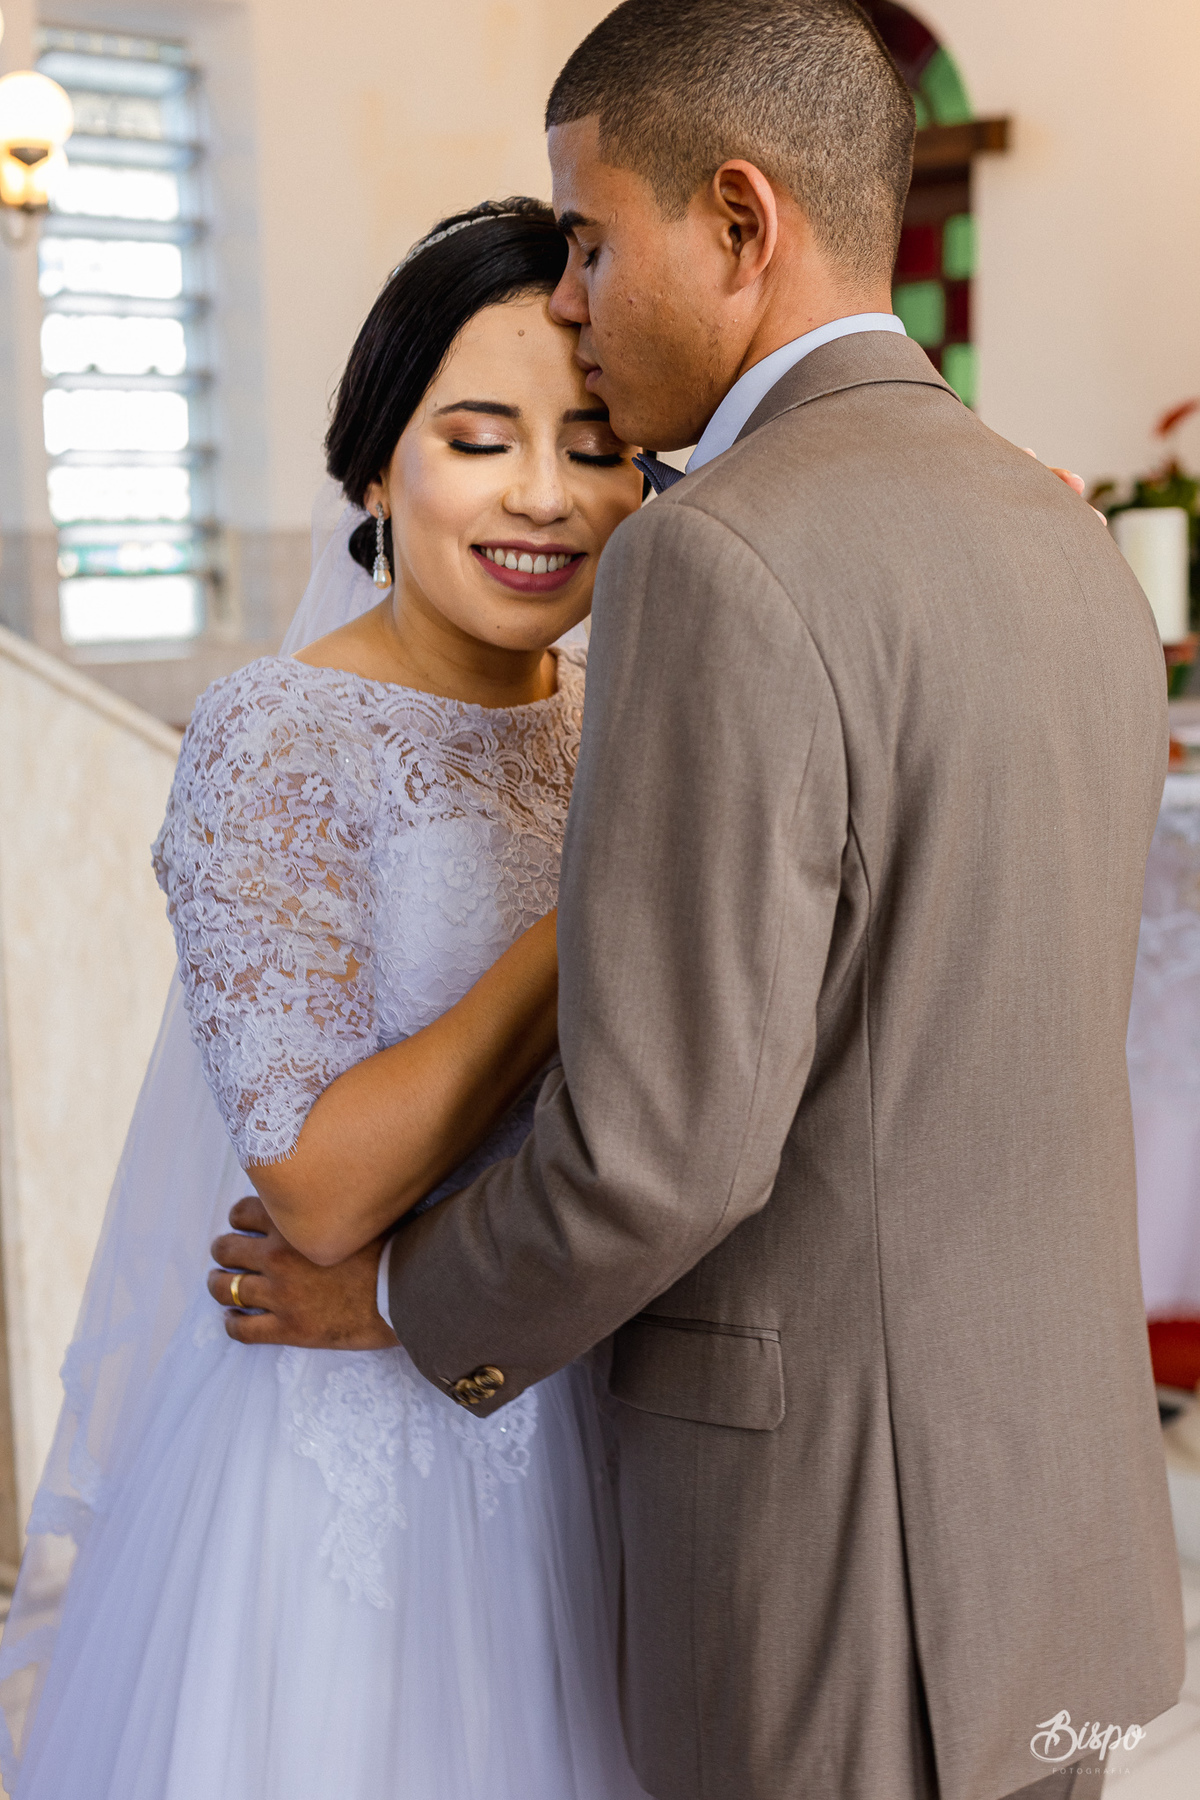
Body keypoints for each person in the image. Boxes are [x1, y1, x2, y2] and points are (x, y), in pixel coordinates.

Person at [219, 4, 1185, 1799]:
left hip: (832, 1551)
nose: (573, 299)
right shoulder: (1063, 527)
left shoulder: (719, 555)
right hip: (1053, 1529)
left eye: (591, 239)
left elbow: (662, 1152)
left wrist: (406, 1301)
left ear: (739, 222)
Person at [0, 198, 650, 1800]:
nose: (550, 498)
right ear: (377, 470)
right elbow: (314, 1178)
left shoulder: (624, 716)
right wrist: (597, 906)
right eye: (481, 439)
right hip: (352, 1454)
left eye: (597, 440)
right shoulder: (275, 733)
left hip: (590, 1395)